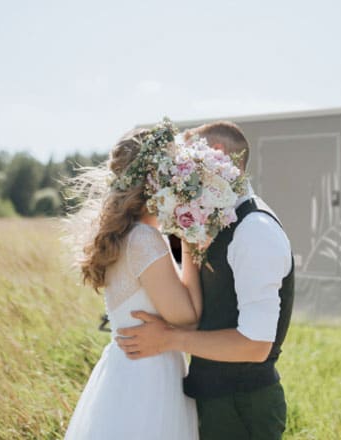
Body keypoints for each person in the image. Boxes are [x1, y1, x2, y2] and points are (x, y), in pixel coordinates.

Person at [116, 121, 295, 440]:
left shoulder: (254, 231)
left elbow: (255, 345)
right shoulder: (215, 223)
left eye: (186, 158)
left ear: (216, 155)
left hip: (243, 409)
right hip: (217, 403)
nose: (177, 171)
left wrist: (169, 340)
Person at [63, 127, 201, 439]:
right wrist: (191, 237)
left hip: (129, 370)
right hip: (148, 380)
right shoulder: (143, 238)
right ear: (156, 179)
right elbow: (186, 315)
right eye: (177, 171)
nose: (182, 181)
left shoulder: (132, 235)